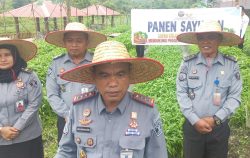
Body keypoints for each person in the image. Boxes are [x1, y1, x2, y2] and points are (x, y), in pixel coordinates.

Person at [55, 40, 168, 158]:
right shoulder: (79, 108)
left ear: (129, 76)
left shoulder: (147, 112)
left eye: (120, 74)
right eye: (104, 75)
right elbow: (66, 151)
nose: (113, 83)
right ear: (94, 78)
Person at [176, 20, 242, 158]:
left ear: (219, 40)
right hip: (192, 128)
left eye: (211, 37)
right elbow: (182, 93)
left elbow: (234, 96)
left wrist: (216, 119)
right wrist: (195, 120)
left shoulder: (231, 65)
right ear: (197, 41)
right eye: (201, 38)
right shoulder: (188, 64)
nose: (205, 42)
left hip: (219, 129)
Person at [45, 22, 107, 143]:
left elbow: (105, 91)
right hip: (65, 119)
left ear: (87, 42)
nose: (74, 45)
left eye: (79, 41)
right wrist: (67, 115)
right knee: (67, 151)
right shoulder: (56, 64)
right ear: (64, 42)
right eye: (70, 40)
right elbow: (52, 94)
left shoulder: (97, 62)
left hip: (94, 118)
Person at [0, 39, 44, 158]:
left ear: (15, 55)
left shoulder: (28, 76)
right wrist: (1, 130)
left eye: (7, 55)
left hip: (28, 136)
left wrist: (17, 128)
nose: (3, 59)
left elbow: (35, 103)